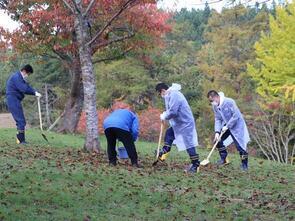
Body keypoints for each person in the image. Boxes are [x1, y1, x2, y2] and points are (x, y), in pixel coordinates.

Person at [155, 83, 200, 173]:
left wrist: (164, 116)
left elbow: (173, 111)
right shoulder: (170, 95)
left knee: (189, 144)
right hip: (179, 123)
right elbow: (170, 110)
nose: (161, 96)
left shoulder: (174, 94)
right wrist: (165, 114)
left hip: (185, 123)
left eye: (160, 94)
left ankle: (195, 165)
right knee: (169, 133)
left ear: (163, 91)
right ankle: (164, 151)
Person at [207, 90, 250, 171]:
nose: (211, 103)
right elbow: (218, 118)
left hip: (237, 126)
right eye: (210, 101)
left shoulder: (229, 102)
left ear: (216, 97)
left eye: (211, 100)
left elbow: (236, 115)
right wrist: (217, 132)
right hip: (226, 126)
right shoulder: (215, 106)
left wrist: (227, 126)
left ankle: (244, 165)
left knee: (241, 146)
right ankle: (224, 159)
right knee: (217, 140)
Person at [6, 64, 42, 144]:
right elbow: (23, 88)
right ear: (25, 71)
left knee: (21, 120)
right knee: (20, 120)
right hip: (13, 100)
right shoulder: (16, 77)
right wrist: (34, 93)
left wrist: (35, 92)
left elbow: (27, 86)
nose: (28, 76)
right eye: (28, 74)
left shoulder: (19, 78)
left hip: (15, 100)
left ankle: (20, 139)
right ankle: (21, 140)